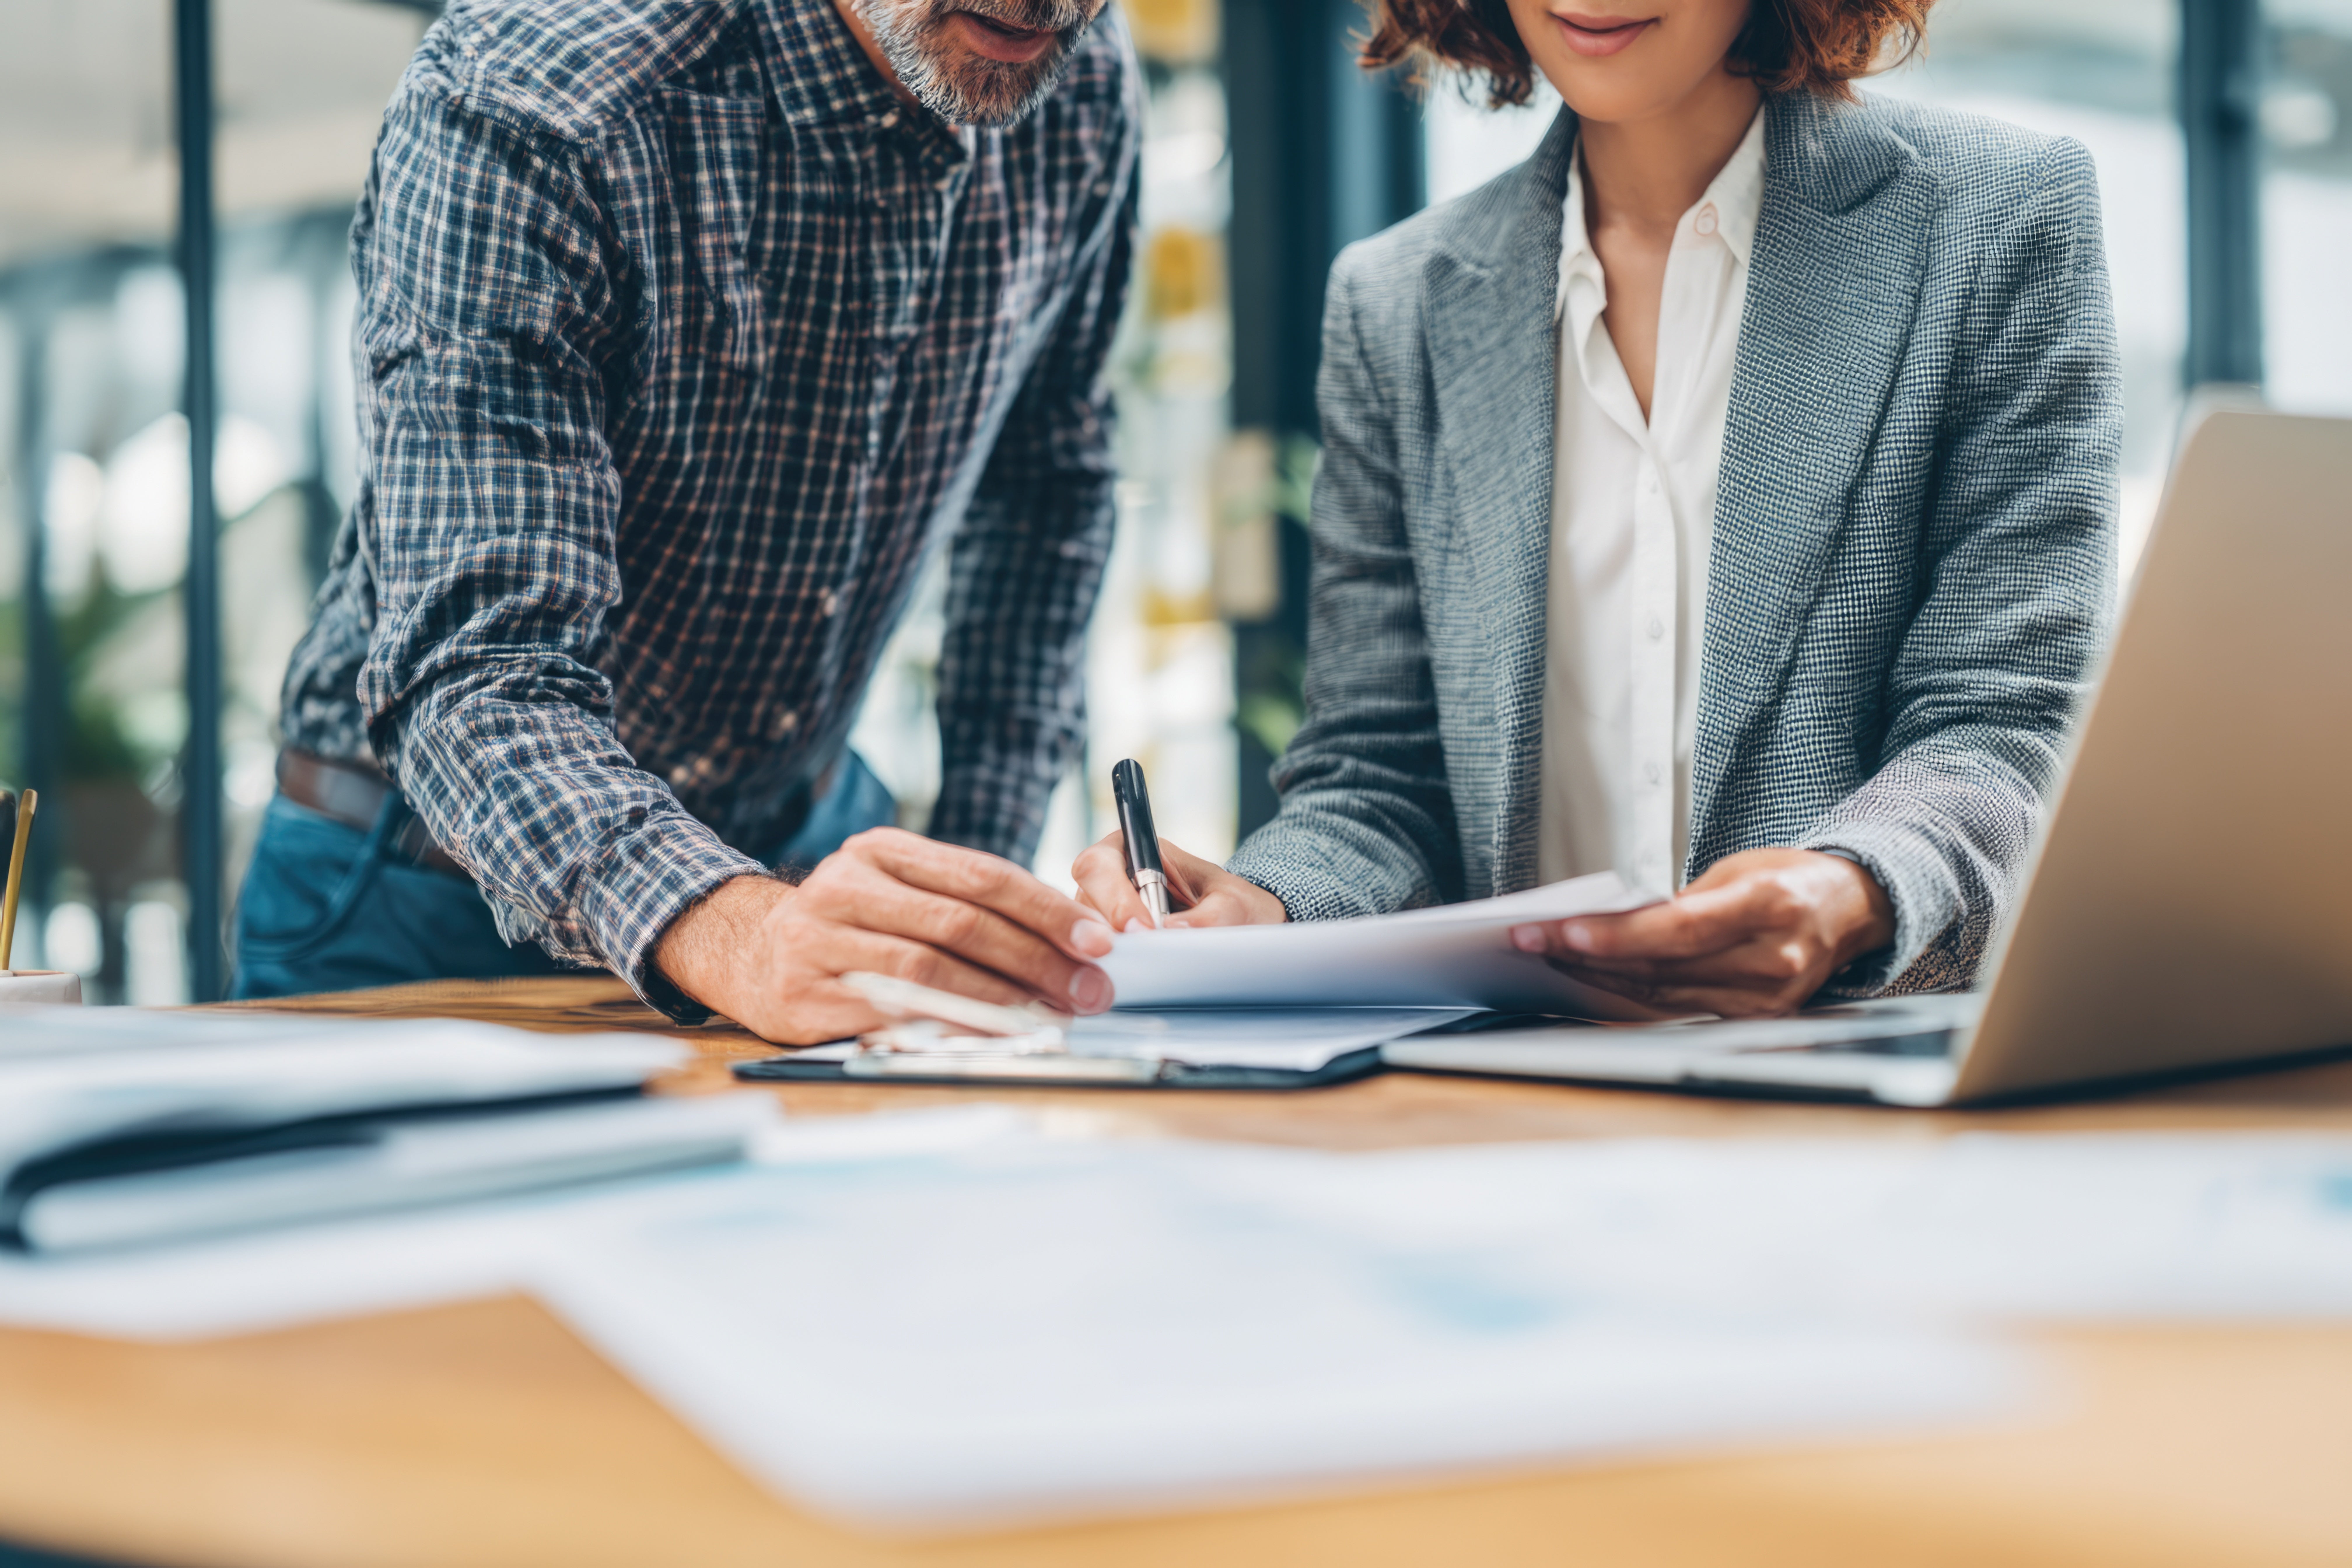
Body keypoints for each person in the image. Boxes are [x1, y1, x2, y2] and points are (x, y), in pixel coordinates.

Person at [1075, 0, 2120, 1019]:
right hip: (1516, 1102)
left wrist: (1853, 888)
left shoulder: (1997, 219)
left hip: (1854, 1080)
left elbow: (2010, 725)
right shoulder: (1397, 304)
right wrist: (1269, 904)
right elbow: (1378, 778)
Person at [236, 0, 1140, 1043]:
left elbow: (1047, 490)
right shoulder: (530, 92)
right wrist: (745, 937)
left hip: (807, 848)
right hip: (422, 889)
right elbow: (476, 670)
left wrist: (971, 894)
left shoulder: (1075, 75)